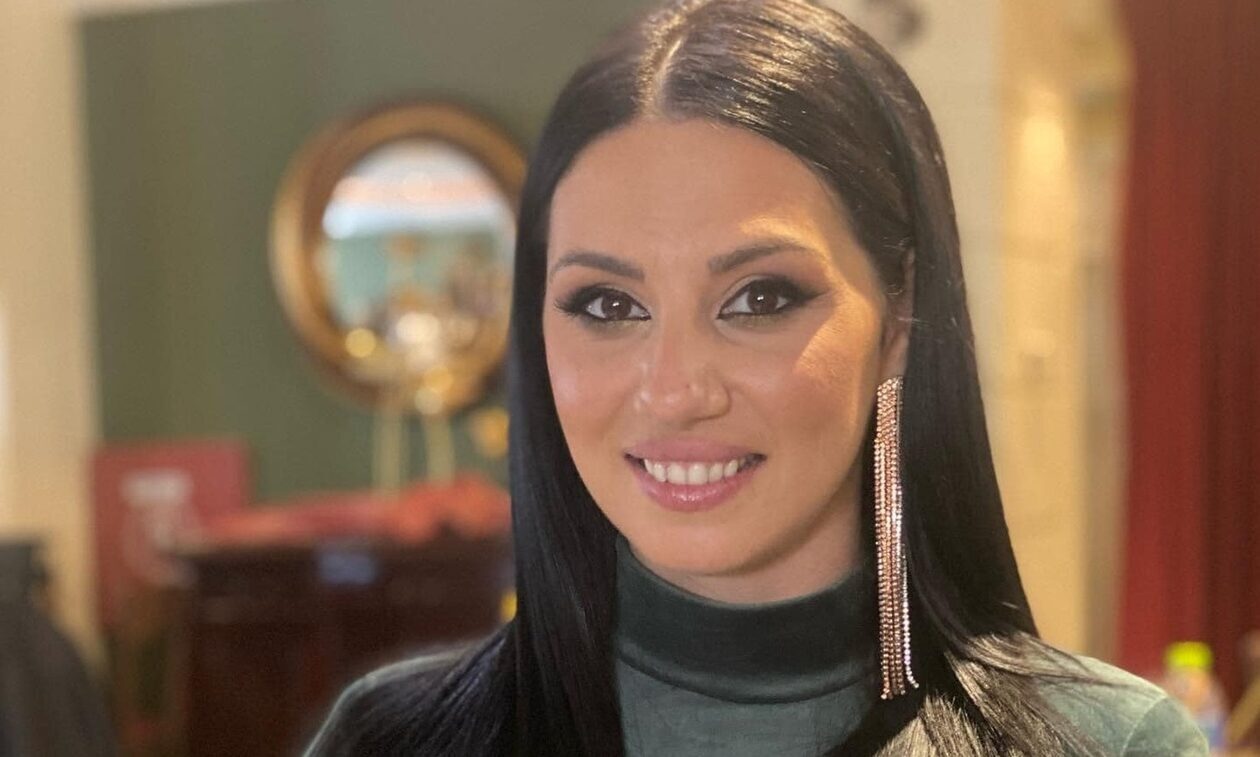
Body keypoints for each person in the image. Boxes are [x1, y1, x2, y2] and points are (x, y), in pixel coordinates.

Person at [304, 0, 1208, 754]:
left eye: (759, 297)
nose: (674, 389)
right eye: (608, 305)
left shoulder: (1109, 743)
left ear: (898, 318)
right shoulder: (391, 739)